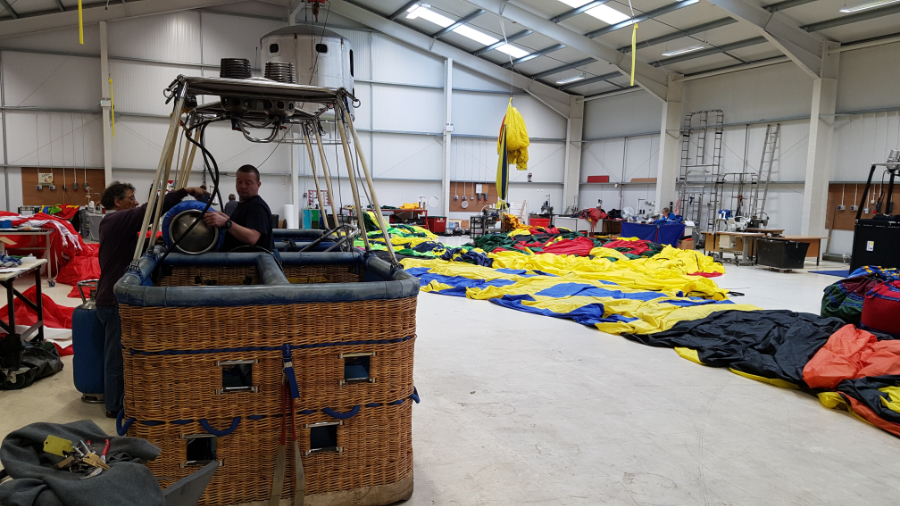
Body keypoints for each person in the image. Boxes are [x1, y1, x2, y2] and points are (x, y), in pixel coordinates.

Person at [96, 182, 207, 417]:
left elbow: (128, 248)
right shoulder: (116, 220)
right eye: (130, 197)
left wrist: (151, 245)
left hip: (112, 298)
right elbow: (150, 211)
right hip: (113, 302)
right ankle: (115, 407)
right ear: (117, 202)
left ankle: (120, 399)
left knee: (121, 354)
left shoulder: (114, 224)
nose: (134, 201)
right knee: (117, 358)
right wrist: (183, 192)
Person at [204, 164, 274, 251]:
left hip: (250, 263)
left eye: (248, 183)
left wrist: (226, 223)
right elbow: (241, 225)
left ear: (258, 185)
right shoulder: (244, 204)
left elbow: (252, 238)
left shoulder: (257, 206)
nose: (242, 186)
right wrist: (222, 217)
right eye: (239, 182)